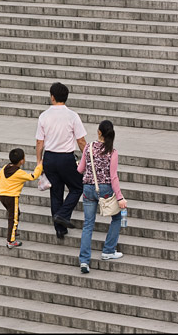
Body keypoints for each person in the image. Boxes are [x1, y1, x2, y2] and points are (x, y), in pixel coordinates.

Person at [35, 82, 87, 239]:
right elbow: (81, 141)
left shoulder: (44, 116)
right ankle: (63, 214)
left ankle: (60, 229)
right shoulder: (72, 116)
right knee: (77, 187)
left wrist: (39, 161)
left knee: (56, 192)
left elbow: (39, 142)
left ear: (52, 97)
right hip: (66, 157)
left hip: (50, 158)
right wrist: (88, 158)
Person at [76, 120, 128, 274]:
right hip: (105, 188)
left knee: (88, 225)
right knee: (117, 218)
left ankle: (84, 261)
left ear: (99, 132)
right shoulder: (112, 151)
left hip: (88, 188)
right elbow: (113, 177)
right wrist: (120, 198)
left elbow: (80, 169)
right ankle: (108, 250)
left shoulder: (88, 147)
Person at [0, 148, 43, 249]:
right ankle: (11, 241)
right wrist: (40, 166)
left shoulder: (4, 168)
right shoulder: (19, 172)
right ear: (21, 161)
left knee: (16, 213)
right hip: (12, 197)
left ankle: (13, 232)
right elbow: (32, 176)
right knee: (13, 218)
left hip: (3, 196)